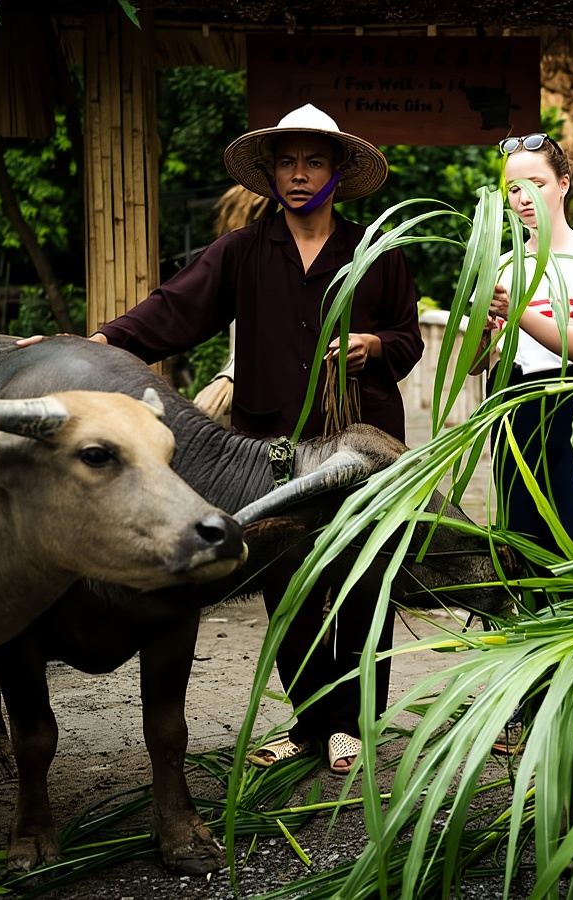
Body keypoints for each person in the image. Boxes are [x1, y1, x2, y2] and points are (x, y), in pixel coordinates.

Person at [92, 104, 423, 775]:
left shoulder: (376, 252)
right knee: (288, 583)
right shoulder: (244, 250)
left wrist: (374, 344)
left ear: (337, 171)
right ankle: (309, 723)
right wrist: (96, 342)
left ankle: (352, 723)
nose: (299, 175)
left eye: (314, 161)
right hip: (272, 445)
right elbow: (174, 310)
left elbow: (409, 339)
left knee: (361, 580)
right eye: (287, 162)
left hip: (360, 444)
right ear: (270, 174)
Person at [486, 132, 573, 563]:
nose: (524, 198)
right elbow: (477, 364)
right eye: (514, 189)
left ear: (563, 183)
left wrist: (517, 309)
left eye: (537, 184)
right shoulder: (503, 263)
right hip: (514, 406)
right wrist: (481, 326)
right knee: (521, 541)